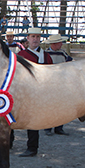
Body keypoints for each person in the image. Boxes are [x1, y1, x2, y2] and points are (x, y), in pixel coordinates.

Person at [16, 27, 52, 157]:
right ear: (28, 39)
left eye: (37, 37)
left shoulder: (46, 56)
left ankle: (32, 147)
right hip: (24, 91)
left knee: (33, 120)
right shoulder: (21, 55)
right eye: (33, 37)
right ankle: (9, 142)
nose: (35, 39)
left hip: (41, 92)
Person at [43, 34, 72, 136]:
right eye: (60, 42)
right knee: (49, 106)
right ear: (54, 44)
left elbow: (70, 63)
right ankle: (47, 127)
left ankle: (59, 127)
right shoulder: (45, 53)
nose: (61, 44)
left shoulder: (63, 53)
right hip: (49, 83)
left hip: (62, 83)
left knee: (61, 106)